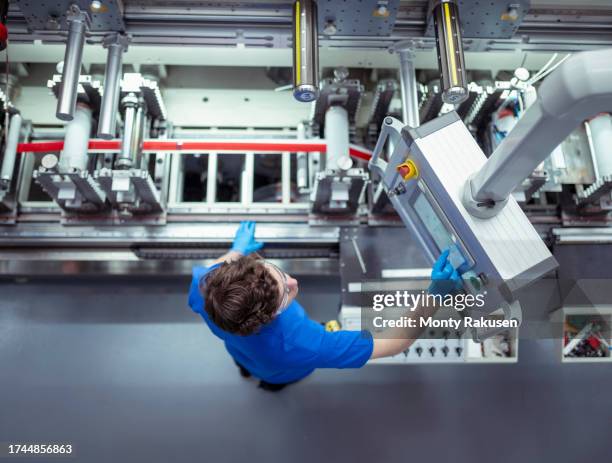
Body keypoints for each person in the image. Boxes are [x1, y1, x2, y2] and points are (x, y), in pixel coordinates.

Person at [188, 221, 461, 391]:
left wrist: (237, 249)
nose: (293, 281)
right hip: (281, 368)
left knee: (246, 361)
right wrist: (435, 295)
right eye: (286, 293)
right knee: (274, 378)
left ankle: (248, 370)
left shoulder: (207, 285)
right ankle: (272, 383)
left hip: (240, 349)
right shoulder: (306, 345)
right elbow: (395, 343)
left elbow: (223, 264)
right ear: (269, 316)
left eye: (278, 273)